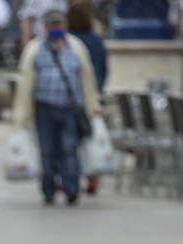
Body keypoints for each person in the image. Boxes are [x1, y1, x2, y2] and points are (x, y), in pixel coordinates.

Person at [12, 9, 98, 205]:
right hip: (44, 107)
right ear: (45, 27)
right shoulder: (35, 49)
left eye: (59, 24)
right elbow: (25, 82)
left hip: (70, 107)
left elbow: (87, 78)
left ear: (64, 25)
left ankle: (71, 187)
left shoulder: (76, 47)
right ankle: (48, 189)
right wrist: (20, 114)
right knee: (47, 150)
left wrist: (93, 105)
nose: (56, 28)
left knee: (69, 148)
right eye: (52, 25)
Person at [67, 0, 107, 195]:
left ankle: (70, 176)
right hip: (91, 95)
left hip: (71, 98)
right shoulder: (95, 39)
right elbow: (104, 68)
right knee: (89, 137)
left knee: (70, 139)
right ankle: (91, 177)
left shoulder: (67, 41)